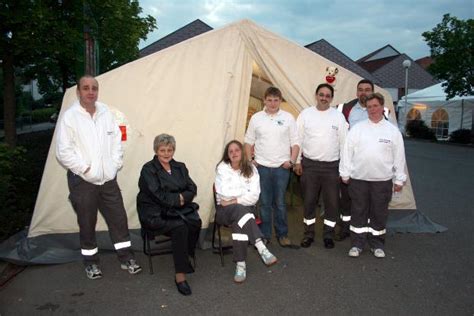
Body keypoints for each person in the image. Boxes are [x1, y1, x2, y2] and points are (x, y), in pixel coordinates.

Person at [56, 75, 141, 280]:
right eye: (86, 88)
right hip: (83, 181)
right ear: (78, 92)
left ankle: (126, 257)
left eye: (94, 88)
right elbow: (63, 152)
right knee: (87, 222)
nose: (90, 91)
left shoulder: (106, 113)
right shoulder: (70, 116)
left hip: (108, 179)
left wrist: (114, 166)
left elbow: (116, 143)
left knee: (119, 218)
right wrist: (85, 169)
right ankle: (91, 263)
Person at [339, 93, 407, 258]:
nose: (372, 110)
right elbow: (347, 152)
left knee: (379, 213)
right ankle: (357, 244)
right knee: (358, 212)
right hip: (359, 180)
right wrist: (345, 173)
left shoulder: (392, 131)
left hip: (382, 181)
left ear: (382, 107)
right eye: (369, 107)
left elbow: (399, 156)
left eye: (375, 106)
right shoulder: (358, 129)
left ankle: (377, 244)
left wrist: (399, 178)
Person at [137, 133, 201, 296]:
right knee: (180, 226)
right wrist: (178, 198)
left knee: (195, 221)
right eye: (162, 150)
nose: (166, 153)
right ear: (156, 150)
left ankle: (187, 254)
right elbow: (156, 194)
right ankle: (180, 276)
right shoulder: (148, 169)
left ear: (174, 150)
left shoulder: (180, 166)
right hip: (155, 212)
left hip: (175, 209)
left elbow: (192, 187)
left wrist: (182, 198)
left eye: (170, 150)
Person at [215, 140, 278, 283]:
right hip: (224, 211)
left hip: (243, 210)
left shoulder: (251, 169)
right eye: (230, 151)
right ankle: (260, 246)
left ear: (242, 152)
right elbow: (223, 193)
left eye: (237, 150)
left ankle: (241, 264)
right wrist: (243, 194)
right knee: (241, 212)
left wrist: (234, 199)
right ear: (227, 155)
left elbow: (254, 196)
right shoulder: (222, 168)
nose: (234, 153)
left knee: (240, 219)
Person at [294, 83, 348, 249]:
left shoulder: (338, 117)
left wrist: (343, 168)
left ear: (331, 98)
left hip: (332, 167)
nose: (324, 98)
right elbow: (298, 139)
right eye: (321, 94)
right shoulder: (305, 114)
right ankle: (308, 234)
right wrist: (297, 162)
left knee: (332, 203)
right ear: (316, 95)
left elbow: (344, 144)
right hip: (309, 166)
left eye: (327, 95)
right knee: (309, 202)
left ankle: (328, 235)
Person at [244, 87, 299, 247]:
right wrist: (250, 160)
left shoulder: (288, 118)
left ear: (280, 101)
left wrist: (292, 161)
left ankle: (282, 235)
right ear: (264, 101)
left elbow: (295, 142)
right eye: (269, 100)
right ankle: (265, 235)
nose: (273, 103)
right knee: (265, 203)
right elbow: (248, 141)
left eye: (276, 100)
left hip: (282, 168)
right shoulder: (256, 118)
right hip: (261, 167)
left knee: (280, 203)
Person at [336, 79, 374, 241]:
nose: (363, 93)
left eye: (367, 89)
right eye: (360, 90)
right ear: (356, 92)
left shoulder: (379, 109)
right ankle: (346, 228)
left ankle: (366, 229)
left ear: (372, 92)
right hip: (350, 161)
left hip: (369, 163)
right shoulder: (346, 109)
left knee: (367, 198)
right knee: (346, 197)